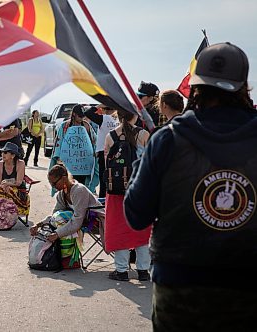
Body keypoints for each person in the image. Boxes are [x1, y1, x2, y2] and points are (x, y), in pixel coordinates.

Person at [124, 42, 257, 330]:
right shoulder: (165, 138)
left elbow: (137, 215)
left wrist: (142, 164)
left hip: (180, 289)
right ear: (244, 87)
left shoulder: (167, 139)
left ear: (195, 88)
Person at [104, 108, 150, 281]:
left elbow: (106, 164)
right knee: (142, 229)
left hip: (116, 190)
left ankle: (121, 270)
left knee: (119, 228)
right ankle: (143, 270)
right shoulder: (144, 134)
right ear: (135, 116)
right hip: (141, 188)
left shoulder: (110, 136)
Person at [30, 164, 102, 267]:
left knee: (63, 217)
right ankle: (65, 258)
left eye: (54, 183)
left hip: (96, 223)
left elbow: (77, 220)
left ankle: (70, 259)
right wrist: (39, 225)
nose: (53, 187)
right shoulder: (62, 194)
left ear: (64, 178)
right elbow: (54, 215)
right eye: (51, 184)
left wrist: (57, 234)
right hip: (81, 222)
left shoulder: (79, 190)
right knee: (58, 217)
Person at [50, 104, 98, 194]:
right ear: (74, 114)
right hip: (69, 164)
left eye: (83, 116)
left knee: (82, 188)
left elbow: (94, 140)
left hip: (84, 165)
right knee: (68, 187)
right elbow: (59, 142)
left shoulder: (87, 126)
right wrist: (58, 157)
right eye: (80, 116)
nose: (81, 118)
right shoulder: (65, 126)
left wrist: (95, 152)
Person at [84, 105, 120, 198]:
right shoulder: (119, 119)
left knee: (104, 179)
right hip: (119, 151)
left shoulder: (103, 119)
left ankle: (103, 200)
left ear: (103, 109)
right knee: (116, 178)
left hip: (103, 151)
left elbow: (87, 113)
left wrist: (99, 105)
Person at [0, 142, 29, 216]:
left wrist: (7, 184)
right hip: (2, 188)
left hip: (18, 189)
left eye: (5, 152)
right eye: (2, 152)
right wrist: (3, 186)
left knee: (10, 191)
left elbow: (18, 183)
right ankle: (1, 216)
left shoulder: (20, 164)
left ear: (13, 155)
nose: (2, 154)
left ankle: (7, 215)